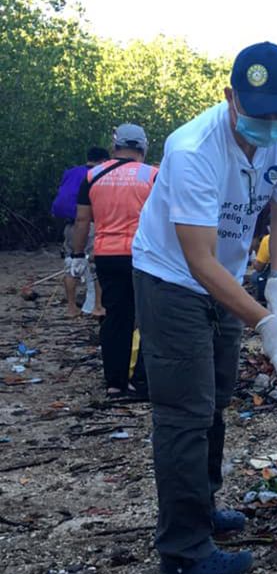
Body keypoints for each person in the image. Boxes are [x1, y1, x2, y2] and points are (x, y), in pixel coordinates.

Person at [131, 42, 277, 574]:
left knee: (217, 397)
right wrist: (264, 319)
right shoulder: (192, 150)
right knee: (185, 408)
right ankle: (183, 549)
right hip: (171, 277)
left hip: (225, 278)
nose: (273, 126)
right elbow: (198, 259)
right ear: (230, 98)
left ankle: (202, 508)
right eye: (260, 115)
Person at [70, 124, 157, 399]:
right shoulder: (153, 175)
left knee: (115, 319)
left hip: (106, 255)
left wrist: (76, 255)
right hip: (144, 256)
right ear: (144, 147)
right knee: (149, 319)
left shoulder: (93, 176)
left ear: (114, 146)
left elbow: (82, 220)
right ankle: (140, 382)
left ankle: (114, 383)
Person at [51, 146, 109, 318]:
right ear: (104, 160)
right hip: (89, 225)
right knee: (97, 266)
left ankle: (71, 308)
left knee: (72, 264)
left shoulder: (70, 172)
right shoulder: (99, 173)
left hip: (70, 226)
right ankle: (98, 306)